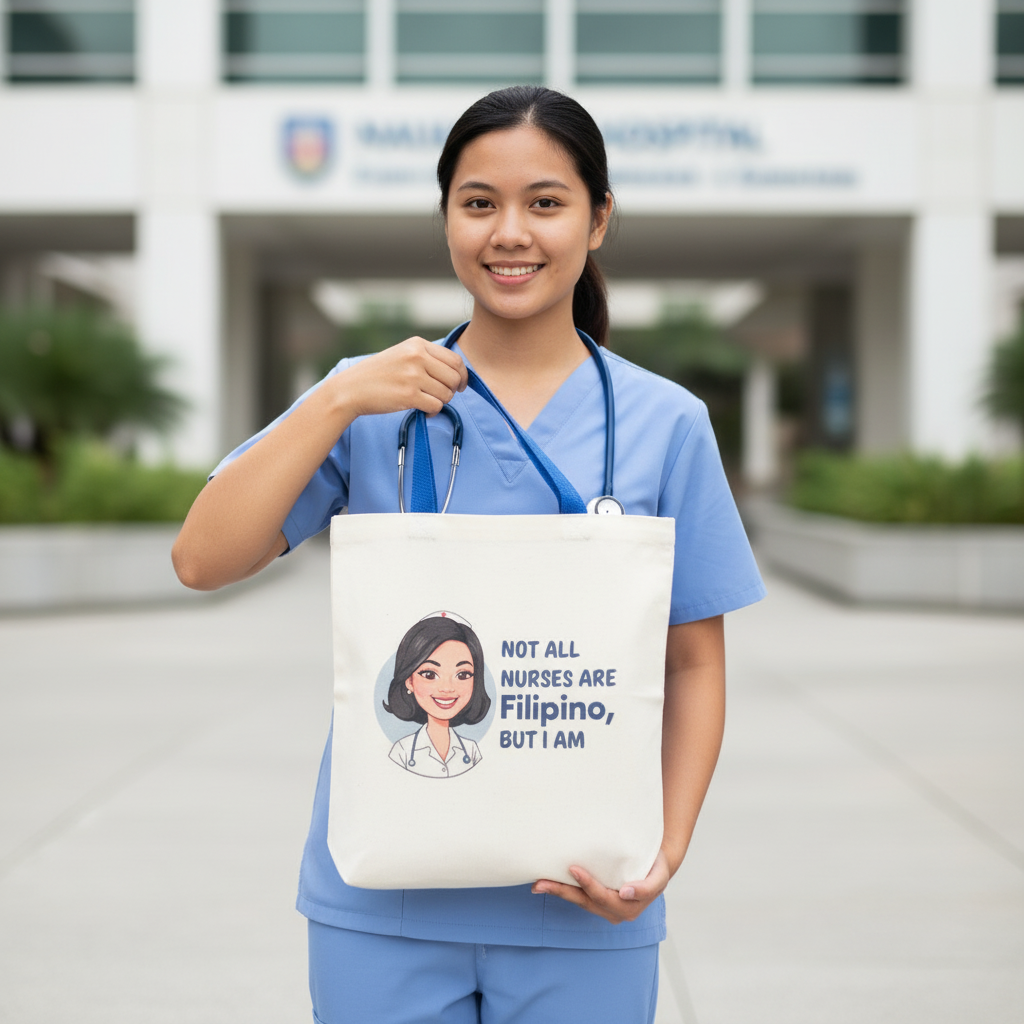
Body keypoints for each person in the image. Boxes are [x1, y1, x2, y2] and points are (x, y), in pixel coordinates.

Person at [173, 85, 765, 1024]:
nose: (510, 233)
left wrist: (665, 849)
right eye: (479, 203)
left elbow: (694, 661)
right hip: (383, 898)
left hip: (582, 899)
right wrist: (332, 398)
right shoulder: (374, 406)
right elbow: (201, 560)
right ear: (446, 217)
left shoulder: (666, 425)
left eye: (546, 202)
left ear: (599, 218)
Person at [383, 613, 488, 778]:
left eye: (462, 675)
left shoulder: (472, 751)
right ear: (409, 680)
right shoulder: (402, 752)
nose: (446, 688)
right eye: (430, 674)